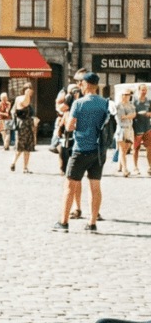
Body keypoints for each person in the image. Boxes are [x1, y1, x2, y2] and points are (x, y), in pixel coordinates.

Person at [54, 72, 110, 232]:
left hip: (81, 149)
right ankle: (92, 223)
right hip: (98, 151)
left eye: (80, 83)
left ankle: (63, 222)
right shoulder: (105, 103)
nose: (79, 86)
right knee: (95, 186)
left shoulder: (78, 103)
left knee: (69, 185)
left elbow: (70, 126)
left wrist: (69, 122)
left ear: (85, 85)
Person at [10, 84, 36, 173]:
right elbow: (24, 103)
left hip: (25, 124)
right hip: (24, 125)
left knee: (23, 147)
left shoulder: (19, 99)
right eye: (27, 89)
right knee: (24, 147)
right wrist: (27, 95)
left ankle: (17, 164)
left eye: (30, 89)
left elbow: (13, 110)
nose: (29, 91)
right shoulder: (22, 98)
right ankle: (21, 166)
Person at [114, 88, 136, 177]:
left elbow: (134, 115)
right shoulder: (119, 105)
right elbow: (122, 117)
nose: (127, 96)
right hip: (122, 129)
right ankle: (125, 170)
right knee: (123, 150)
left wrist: (129, 116)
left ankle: (119, 166)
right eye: (125, 94)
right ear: (121, 95)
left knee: (126, 149)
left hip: (130, 129)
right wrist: (129, 116)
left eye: (128, 95)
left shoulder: (131, 105)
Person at [132, 84, 151, 175]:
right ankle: (135, 167)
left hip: (147, 128)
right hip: (137, 128)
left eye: (145, 90)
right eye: (142, 90)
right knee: (136, 149)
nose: (144, 91)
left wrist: (149, 113)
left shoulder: (149, 101)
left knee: (149, 148)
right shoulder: (134, 101)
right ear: (138, 90)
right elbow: (130, 112)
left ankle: (150, 167)